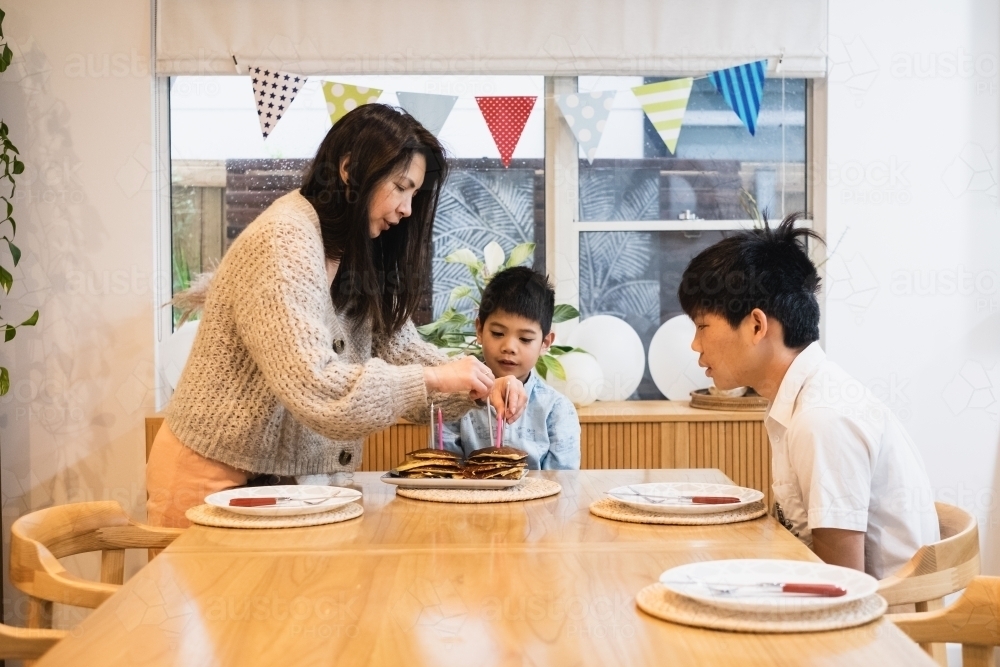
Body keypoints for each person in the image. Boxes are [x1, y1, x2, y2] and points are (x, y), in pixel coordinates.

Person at [147, 104, 527, 527]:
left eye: (414, 195)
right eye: (401, 187)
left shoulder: (352, 252)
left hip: (286, 487)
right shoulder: (283, 241)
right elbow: (317, 388)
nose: (406, 209)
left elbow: (403, 352)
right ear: (350, 170)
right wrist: (435, 378)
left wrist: (481, 384)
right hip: (211, 479)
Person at [677, 214, 938, 579]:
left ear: (756, 325)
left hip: (879, 626)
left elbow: (840, 586)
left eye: (702, 326)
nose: (695, 344)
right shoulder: (807, 397)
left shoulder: (822, 419)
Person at [442, 267, 580, 469]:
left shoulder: (556, 410)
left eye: (525, 339)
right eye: (498, 333)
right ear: (479, 330)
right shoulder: (454, 401)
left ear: (545, 342)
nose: (509, 347)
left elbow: (562, 483)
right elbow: (444, 474)